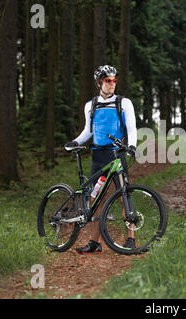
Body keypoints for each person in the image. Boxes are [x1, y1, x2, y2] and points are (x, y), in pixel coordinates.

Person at [64, 65, 138, 254]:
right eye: (108, 80)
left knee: (124, 196)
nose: (112, 83)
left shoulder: (124, 103)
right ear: (99, 83)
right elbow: (88, 130)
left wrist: (132, 145)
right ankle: (94, 243)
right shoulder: (91, 104)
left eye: (114, 80)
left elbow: (131, 128)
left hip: (117, 155)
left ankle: (131, 239)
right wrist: (75, 141)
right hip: (98, 157)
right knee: (95, 198)